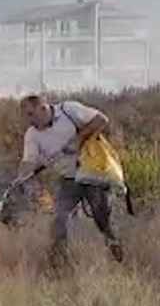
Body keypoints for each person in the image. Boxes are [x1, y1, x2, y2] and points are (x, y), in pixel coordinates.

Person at [14, 94, 123, 268]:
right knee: (59, 218)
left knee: (99, 212)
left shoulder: (69, 110)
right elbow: (28, 161)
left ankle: (113, 243)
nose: (29, 120)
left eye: (31, 114)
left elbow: (102, 119)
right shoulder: (32, 135)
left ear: (43, 109)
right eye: (26, 115)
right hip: (69, 180)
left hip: (92, 174)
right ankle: (59, 265)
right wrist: (21, 177)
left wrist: (77, 140)